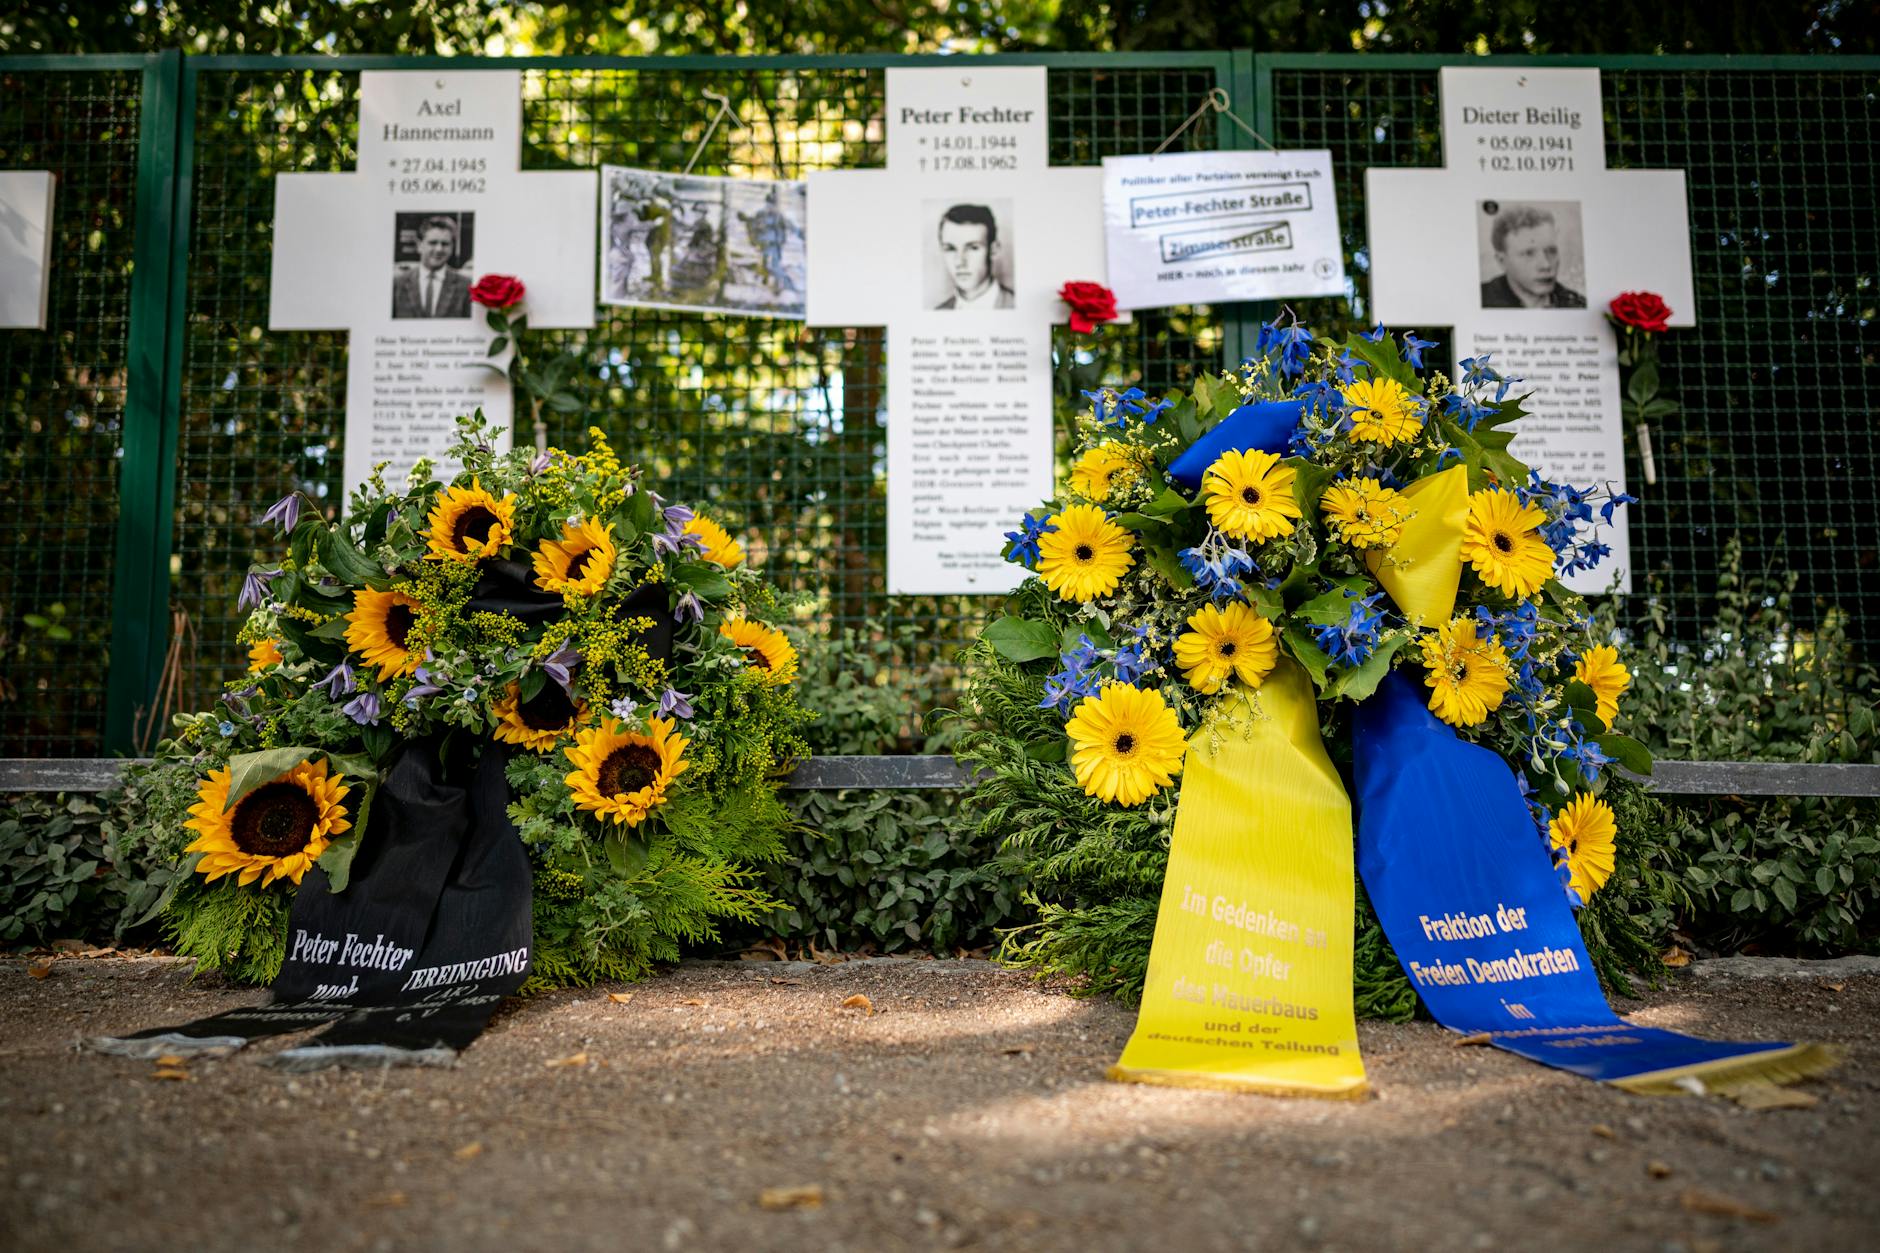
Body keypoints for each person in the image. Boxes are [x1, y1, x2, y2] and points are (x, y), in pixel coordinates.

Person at [1480, 205, 1585, 309]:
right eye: (1529, 253)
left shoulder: (1578, 304)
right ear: (1501, 261)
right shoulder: (1479, 300)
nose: (1546, 265)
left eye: (1551, 251)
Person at [933, 204, 1014, 310]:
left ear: (993, 250)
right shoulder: (938, 312)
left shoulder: (1015, 305)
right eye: (951, 249)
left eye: (973, 248)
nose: (960, 262)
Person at [392, 216, 472, 319]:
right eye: (433, 243)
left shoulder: (465, 286)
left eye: (445, 244)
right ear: (419, 245)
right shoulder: (398, 284)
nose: (439, 249)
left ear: (452, 247)